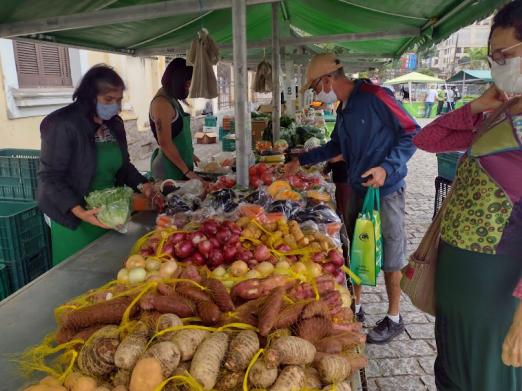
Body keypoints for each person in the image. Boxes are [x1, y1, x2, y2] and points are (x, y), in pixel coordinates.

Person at [414, 1, 522, 388]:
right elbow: (427, 139)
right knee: (454, 373)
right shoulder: (501, 112)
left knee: (490, 376)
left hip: (500, 285)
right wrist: (477, 106)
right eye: (491, 56)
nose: (496, 65)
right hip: (460, 277)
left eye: (503, 55)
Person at [286, 53, 420, 344]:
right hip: (358, 188)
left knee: (391, 252)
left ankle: (394, 317)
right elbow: (336, 145)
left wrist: (386, 168)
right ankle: (356, 306)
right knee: (358, 247)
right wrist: (302, 160)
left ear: (328, 80)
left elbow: (412, 133)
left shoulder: (375, 96)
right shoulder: (343, 107)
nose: (317, 93)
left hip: (385, 190)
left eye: (316, 87)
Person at [38, 65, 154, 265]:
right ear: (89, 97)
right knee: (79, 277)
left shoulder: (114, 124)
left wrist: (145, 186)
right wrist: (80, 212)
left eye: (118, 100)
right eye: (108, 100)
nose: (115, 107)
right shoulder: (63, 124)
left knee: (109, 271)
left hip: (109, 213)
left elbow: (124, 167)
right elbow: (50, 177)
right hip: (75, 216)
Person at [150, 58, 202, 181]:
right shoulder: (161, 103)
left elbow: (176, 134)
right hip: (168, 171)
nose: (188, 90)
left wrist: (189, 154)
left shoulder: (172, 99)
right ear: (178, 81)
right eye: (187, 85)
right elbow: (165, 143)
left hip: (178, 166)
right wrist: (187, 171)